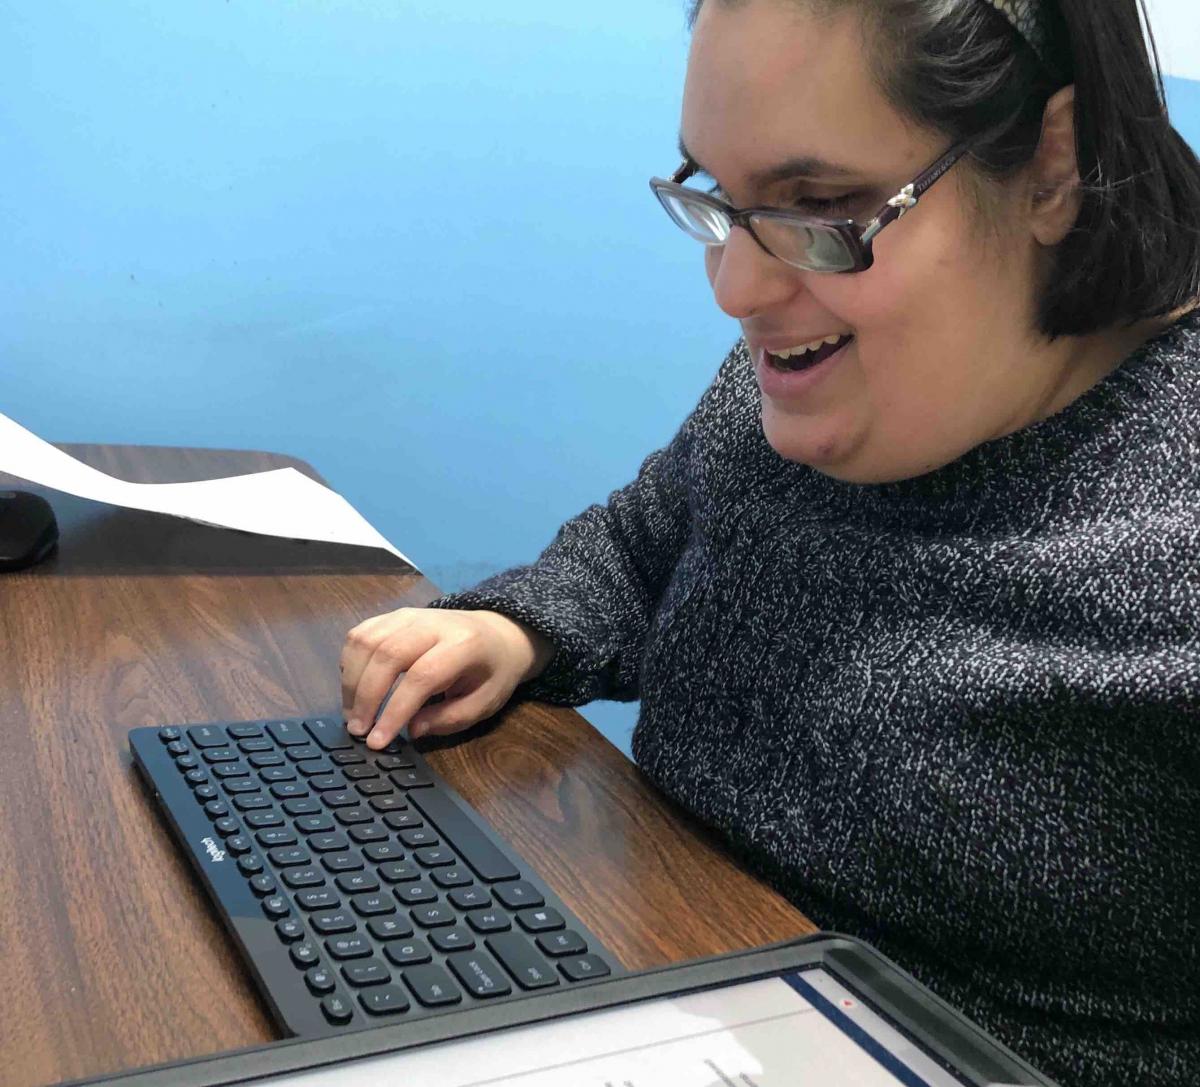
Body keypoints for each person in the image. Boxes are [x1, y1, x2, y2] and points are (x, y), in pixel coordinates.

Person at [340, 1, 1200, 1082]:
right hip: (637, 988)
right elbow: (644, 546)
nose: (736, 291)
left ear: (1053, 169)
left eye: (823, 207)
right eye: (722, 199)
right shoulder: (788, 381)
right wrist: (517, 627)